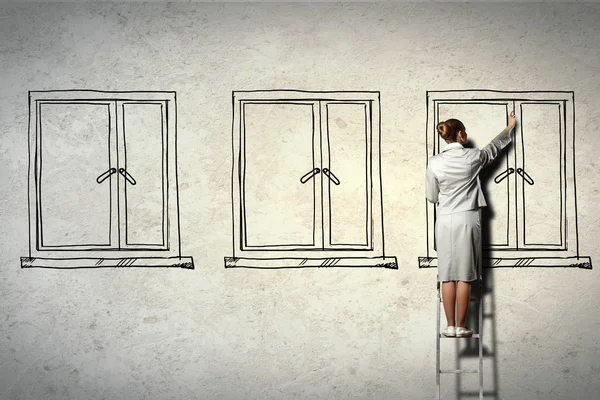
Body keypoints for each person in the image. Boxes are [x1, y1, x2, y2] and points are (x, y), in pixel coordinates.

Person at [426, 111, 517, 337]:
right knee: (465, 274)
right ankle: (461, 326)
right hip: (466, 218)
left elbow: (431, 196)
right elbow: (492, 149)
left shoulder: (434, 162)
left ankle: (449, 326)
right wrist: (508, 128)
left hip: (444, 219)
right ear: (461, 135)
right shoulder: (473, 157)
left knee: (446, 273)